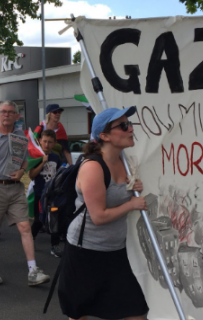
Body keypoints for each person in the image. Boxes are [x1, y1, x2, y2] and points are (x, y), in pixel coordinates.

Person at [57, 107, 148, 320]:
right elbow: (98, 216)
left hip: (114, 252)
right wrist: (132, 204)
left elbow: (119, 196)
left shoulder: (125, 162)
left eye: (130, 124)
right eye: (123, 126)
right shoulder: (93, 167)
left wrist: (133, 188)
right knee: (79, 314)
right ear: (104, 136)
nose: (130, 129)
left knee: (136, 312)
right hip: (85, 252)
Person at [0, 100, 50, 286]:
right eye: (3, 112)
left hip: (15, 189)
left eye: (11, 112)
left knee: (24, 227)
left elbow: (25, 161)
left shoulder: (20, 137)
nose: (7, 114)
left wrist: (22, 171)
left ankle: (33, 271)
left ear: (17, 116)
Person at [28, 130, 62, 257]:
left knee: (54, 219)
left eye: (50, 142)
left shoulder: (56, 157)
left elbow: (58, 173)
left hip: (52, 194)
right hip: (39, 193)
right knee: (39, 220)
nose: (47, 144)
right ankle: (31, 238)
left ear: (54, 143)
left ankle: (54, 245)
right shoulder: (36, 156)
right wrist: (42, 162)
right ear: (40, 141)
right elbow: (31, 175)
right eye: (45, 141)